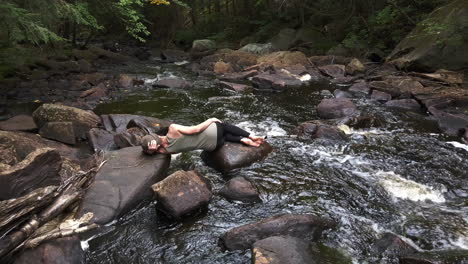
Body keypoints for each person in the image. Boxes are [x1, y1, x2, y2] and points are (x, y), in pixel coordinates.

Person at [141, 118, 266, 155]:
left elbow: (153, 151)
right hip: (214, 133)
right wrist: (211, 119)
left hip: (214, 146)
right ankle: (251, 136)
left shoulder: (165, 151)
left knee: (224, 136)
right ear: (157, 135)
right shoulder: (172, 129)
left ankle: (241, 139)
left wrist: (152, 150)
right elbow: (196, 129)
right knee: (223, 126)